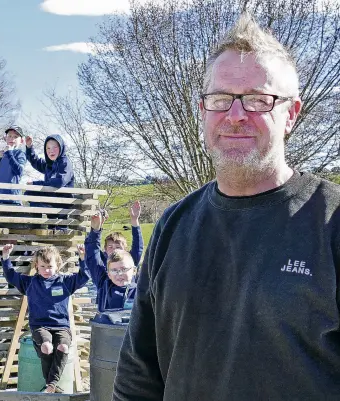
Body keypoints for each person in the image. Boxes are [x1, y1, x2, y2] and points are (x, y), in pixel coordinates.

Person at [113, 14, 340, 401]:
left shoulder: (331, 222)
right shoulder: (174, 225)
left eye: (257, 99)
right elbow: (139, 372)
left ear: (292, 114)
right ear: (203, 111)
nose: (235, 116)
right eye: (220, 99)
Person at [1, 243, 89, 393]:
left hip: (61, 327)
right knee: (47, 347)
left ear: (57, 266)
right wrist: (5, 257)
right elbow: (11, 275)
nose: (46, 270)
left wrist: (82, 258)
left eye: (50, 266)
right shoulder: (30, 283)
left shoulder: (64, 282)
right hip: (40, 327)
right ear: (36, 266)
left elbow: (84, 276)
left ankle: (50, 385)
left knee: (63, 347)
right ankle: (52, 384)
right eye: (42, 266)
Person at [86, 209, 139, 312]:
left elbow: (137, 248)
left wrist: (134, 222)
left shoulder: (141, 292)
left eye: (124, 269)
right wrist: (95, 230)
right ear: (109, 273)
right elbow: (93, 255)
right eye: (114, 270)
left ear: (134, 271)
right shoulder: (103, 283)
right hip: (106, 327)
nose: (119, 274)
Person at [24, 134, 75, 231]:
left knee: (34, 190)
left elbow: (59, 182)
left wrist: (36, 184)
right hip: (52, 199)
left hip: (63, 202)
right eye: (48, 148)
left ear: (61, 148)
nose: (51, 150)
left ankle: (61, 225)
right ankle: (38, 223)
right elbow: (36, 162)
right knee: (30, 192)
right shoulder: (49, 165)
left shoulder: (64, 163)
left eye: (55, 147)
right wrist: (29, 147)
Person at [0, 126, 27, 205]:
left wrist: (9, 153)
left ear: (22, 141)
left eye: (15, 137)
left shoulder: (20, 154)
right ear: (5, 138)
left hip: (12, 200)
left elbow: (19, 171)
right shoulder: (2, 154)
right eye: (9, 136)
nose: (12, 138)